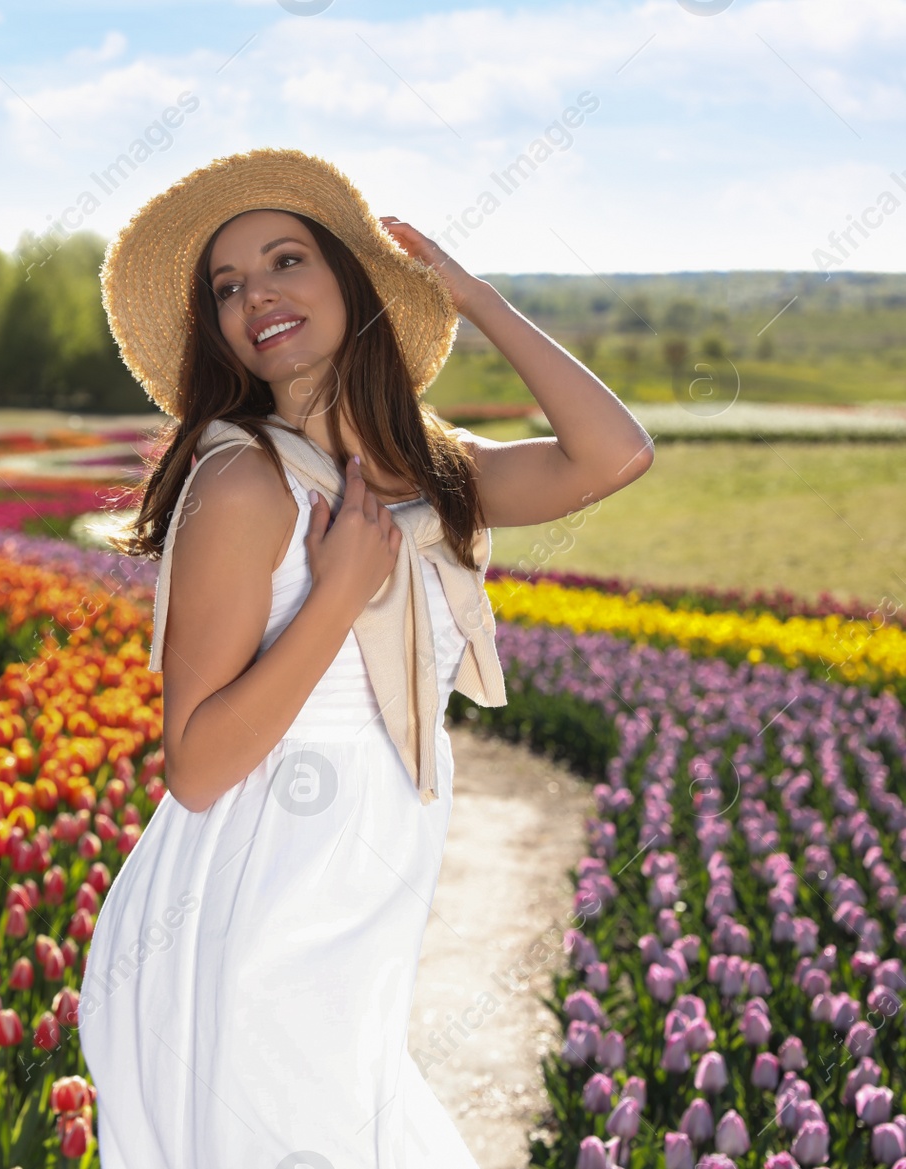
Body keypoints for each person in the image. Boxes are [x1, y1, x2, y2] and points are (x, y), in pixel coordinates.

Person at [77, 147, 654, 1167]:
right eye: (226, 287)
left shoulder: (435, 472)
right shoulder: (246, 485)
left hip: (367, 888)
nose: (256, 295)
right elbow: (198, 765)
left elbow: (613, 455)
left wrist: (475, 301)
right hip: (250, 900)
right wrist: (337, 592)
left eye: (286, 260)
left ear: (352, 279)